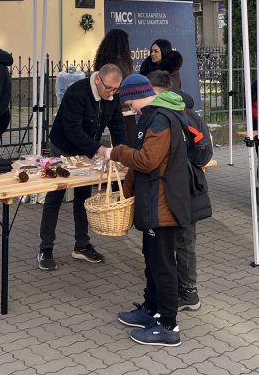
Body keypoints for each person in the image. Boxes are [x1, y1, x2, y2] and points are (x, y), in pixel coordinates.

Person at [104, 73, 191, 347]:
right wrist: (126, 192)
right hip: (154, 201)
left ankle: (168, 325)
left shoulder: (161, 119)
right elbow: (141, 161)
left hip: (163, 204)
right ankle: (151, 309)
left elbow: (147, 160)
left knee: (163, 265)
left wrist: (115, 152)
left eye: (130, 103)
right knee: (152, 260)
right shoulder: (151, 117)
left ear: (139, 96)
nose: (130, 109)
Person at [37, 64, 126, 271]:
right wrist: (99, 149)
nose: (112, 93)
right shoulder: (76, 92)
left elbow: (118, 125)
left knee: (83, 196)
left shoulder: (113, 96)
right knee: (55, 195)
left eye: (116, 89)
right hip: (64, 147)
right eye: (109, 88)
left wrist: (123, 153)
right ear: (98, 80)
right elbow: (71, 129)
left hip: (88, 150)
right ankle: (46, 248)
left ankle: (82, 245)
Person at [145, 70, 211, 313]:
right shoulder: (189, 113)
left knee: (180, 241)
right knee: (184, 240)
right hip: (190, 186)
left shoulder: (166, 116)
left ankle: (186, 293)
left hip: (179, 187)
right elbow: (205, 153)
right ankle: (184, 289)